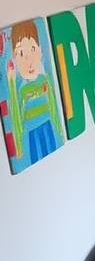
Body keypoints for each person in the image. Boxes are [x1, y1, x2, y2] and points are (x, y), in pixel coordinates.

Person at [6, 19, 64, 165]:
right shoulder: (21, 89)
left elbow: (52, 103)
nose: (29, 59)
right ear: (15, 58)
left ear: (39, 51)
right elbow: (16, 115)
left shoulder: (44, 81)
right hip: (31, 132)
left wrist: (58, 127)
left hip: (47, 126)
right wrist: (11, 82)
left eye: (32, 49)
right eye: (21, 53)